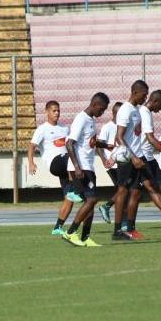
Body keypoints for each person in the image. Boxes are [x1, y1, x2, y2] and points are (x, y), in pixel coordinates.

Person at [110, 80, 161, 240]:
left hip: (139, 158)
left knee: (149, 189)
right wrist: (133, 157)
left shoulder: (136, 110)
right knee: (123, 191)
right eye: (144, 94)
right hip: (129, 159)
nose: (145, 98)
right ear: (135, 93)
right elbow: (119, 137)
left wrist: (139, 156)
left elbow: (136, 137)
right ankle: (117, 231)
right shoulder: (125, 110)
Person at [62, 92, 112, 247]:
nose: (102, 112)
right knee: (92, 200)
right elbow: (69, 143)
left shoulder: (90, 120)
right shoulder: (81, 119)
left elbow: (89, 142)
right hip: (81, 167)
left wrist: (106, 145)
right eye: (102, 109)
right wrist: (77, 167)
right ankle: (70, 232)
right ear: (95, 104)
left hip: (88, 167)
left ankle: (85, 237)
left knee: (90, 203)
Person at [28, 100, 78, 235]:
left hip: (67, 166)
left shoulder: (65, 128)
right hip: (55, 163)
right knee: (72, 159)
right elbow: (32, 146)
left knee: (70, 198)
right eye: (54, 110)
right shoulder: (42, 129)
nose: (57, 113)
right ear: (47, 112)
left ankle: (57, 227)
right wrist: (31, 162)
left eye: (58, 110)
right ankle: (74, 188)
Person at [96, 102, 124, 225]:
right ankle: (108, 208)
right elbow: (99, 146)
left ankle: (121, 220)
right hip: (112, 165)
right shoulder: (107, 127)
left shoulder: (123, 126)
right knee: (123, 190)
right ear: (114, 113)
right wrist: (103, 161)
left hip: (122, 163)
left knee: (124, 191)